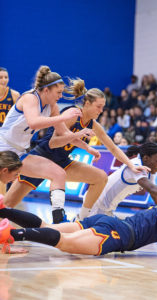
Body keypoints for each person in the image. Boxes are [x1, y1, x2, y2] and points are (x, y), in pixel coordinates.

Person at [3, 85, 149, 222]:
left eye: (103, 107)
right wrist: (79, 136)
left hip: (62, 162)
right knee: (7, 204)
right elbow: (53, 143)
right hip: (41, 159)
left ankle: (81, 219)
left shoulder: (93, 124)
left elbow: (113, 148)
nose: (101, 111)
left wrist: (131, 164)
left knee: (100, 177)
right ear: (87, 104)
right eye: (98, 106)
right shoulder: (72, 114)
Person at [0, 186, 157, 261]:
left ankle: (4, 211)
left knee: (48, 227)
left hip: (105, 221)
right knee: (64, 242)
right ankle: (10, 234)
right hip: (117, 235)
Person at [0, 65, 90, 222]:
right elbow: (34, 122)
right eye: (58, 92)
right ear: (46, 90)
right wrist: (63, 117)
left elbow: (64, 134)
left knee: (58, 174)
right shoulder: (29, 97)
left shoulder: (52, 107)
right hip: (3, 148)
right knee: (3, 199)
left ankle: (59, 219)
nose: (61, 96)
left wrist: (87, 146)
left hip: (19, 153)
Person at [89, 143, 157, 217]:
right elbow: (152, 188)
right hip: (95, 204)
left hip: (106, 209)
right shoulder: (136, 165)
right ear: (146, 158)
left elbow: (154, 193)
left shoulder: (150, 168)